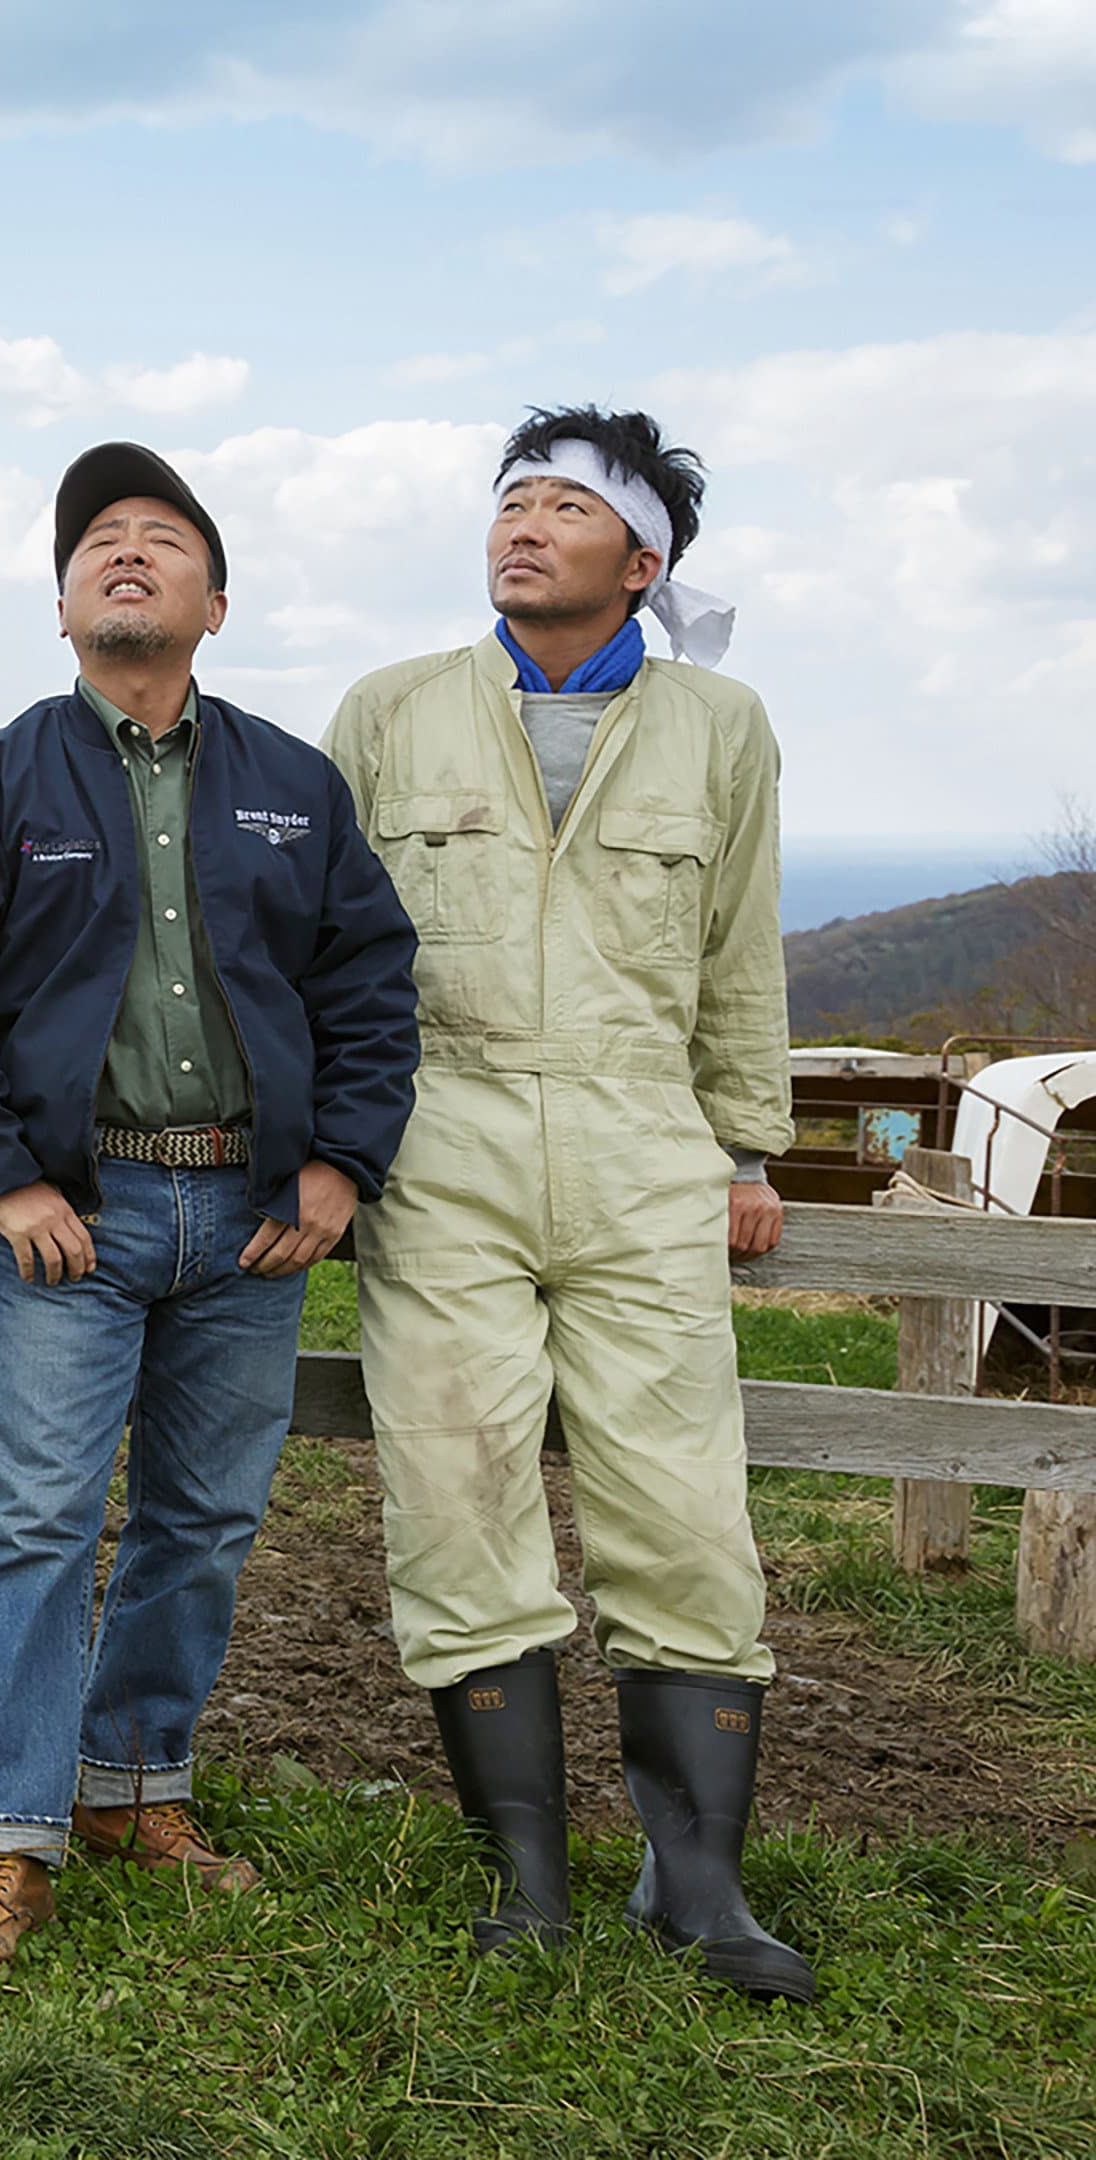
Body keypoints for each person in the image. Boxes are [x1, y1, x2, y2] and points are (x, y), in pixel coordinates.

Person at [0, 443, 421, 1981]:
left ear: (214, 604)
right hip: (81, 1219)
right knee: (35, 1526)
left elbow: (371, 987)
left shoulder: (295, 789)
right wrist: (3, 1178)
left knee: (205, 1522)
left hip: (253, 1219)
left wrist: (342, 1164)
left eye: (162, 541)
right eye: (99, 542)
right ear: (59, 609)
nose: (127, 554)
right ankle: (4, 1844)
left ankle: (132, 1793)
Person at [325, 406, 809, 2000]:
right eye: (509, 503)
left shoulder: (720, 727)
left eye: (562, 509)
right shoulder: (390, 712)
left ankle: (699, 1886)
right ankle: (527, 1878)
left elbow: (737, 946)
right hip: (439, 1144)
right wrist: (331, 1140)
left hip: (639, 1147)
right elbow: (322, 945)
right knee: (458, 1497)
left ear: (642, 558)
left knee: (684, 1507)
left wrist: (744, 1145)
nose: (519, 527)